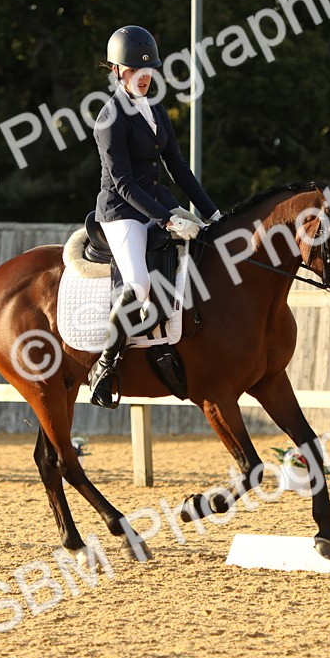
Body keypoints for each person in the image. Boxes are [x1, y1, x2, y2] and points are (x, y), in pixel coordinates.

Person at [88, 25, 222, 409]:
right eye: (134, 70)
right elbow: (124, 183)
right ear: (118, 71)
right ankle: (104, 366)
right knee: (140, 284)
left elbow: (178, 168)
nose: (143, 76)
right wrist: (166, 219)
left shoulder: (157, 110)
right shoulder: (110, 117)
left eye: (148, 70)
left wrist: (212, 213)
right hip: (122, 212)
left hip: (158, 203)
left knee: (206, 253)